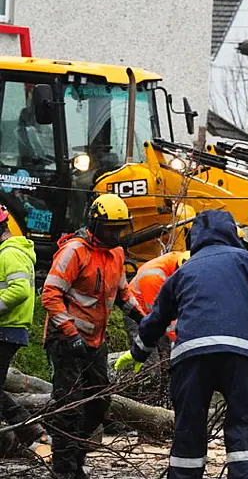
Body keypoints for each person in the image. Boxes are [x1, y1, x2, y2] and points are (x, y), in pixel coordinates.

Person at [115, 209, 248, 479]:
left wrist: (137, 353)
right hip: (241, 355)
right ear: (232, 234)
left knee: (188, 433)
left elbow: (156, 318)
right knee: (245, 430)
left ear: (195, 238)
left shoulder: (182, 272)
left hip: (190, 359)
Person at [41, 194, 146, 479]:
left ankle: (75, 455)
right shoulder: (75, 251)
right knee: (69, 405)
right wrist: (70, 332)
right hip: (66, 339)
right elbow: (50, 294)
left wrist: (141, 317)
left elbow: (122, 292)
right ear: (95, 224)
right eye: (110, 228)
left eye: (119, 228)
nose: (115, 234)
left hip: (95, 341)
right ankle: (63, 470)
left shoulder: (116, 253)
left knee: (100, 401)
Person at [0, 205, 46, 447]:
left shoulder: (10, 253)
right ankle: (27, 431)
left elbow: (17, 291)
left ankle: (29, 429)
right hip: (9, 328)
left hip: (7, 328)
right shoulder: (10, 251)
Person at [127, 251, 191, 343]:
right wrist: (185, 341)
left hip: (157, 305)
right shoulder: (153, 279)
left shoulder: (183, 258)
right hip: (138, 313)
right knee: (151, 349)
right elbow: (160, 316)